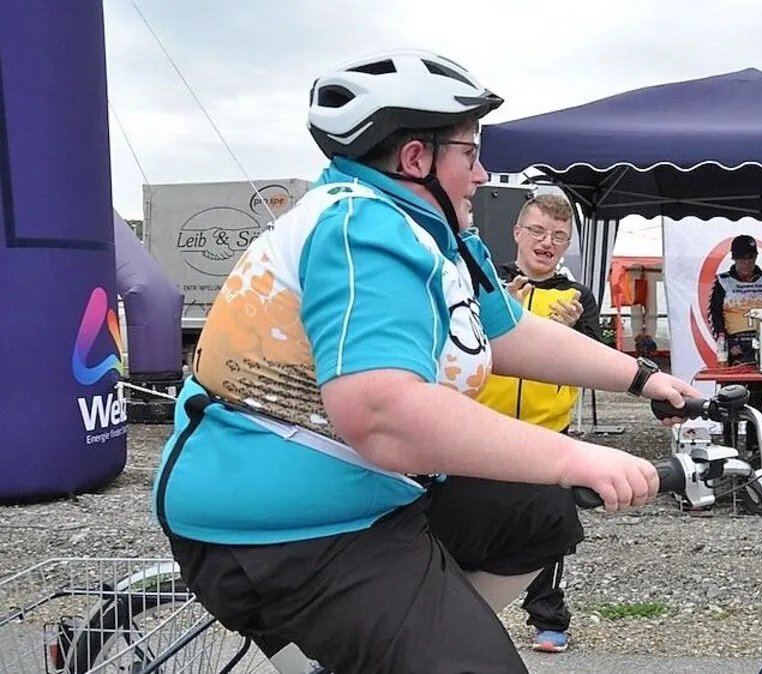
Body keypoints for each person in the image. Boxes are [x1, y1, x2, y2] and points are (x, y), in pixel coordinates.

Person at [149, 49, 699, 674]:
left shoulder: (438, 237)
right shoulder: (360, 229)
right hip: (284, 528)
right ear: (417, 159)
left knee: (538, 512)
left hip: (371, 492)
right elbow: (383, 413)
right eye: (470, 152)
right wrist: (576, 455)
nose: (483, 172)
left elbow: (510, 333)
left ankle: (420, 636)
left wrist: (646, 378)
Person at [463, 193, 599, 653]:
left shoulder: (578, 296)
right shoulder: (483, 281)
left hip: (547, 432)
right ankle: (457, 611)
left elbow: (597, 360)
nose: (547, 243)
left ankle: (548, 616)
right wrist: (499, 313)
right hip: (478, 427)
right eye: (538, 231)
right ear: (518, 232)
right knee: (469, 523)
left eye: (558, 236)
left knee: (548, 530)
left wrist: (575, 330)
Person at [707, 234, 762, 455]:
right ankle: (730, 446)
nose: (747, 263)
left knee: (757, 400)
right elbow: (713, 314)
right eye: (742, 259)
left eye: (751, 258)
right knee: (730, 398)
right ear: (734, 259)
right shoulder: (723, 280)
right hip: (734, 347)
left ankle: (754, 447)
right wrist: (725, 342)